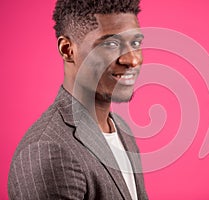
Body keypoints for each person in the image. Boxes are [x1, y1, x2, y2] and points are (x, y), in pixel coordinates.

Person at [8, 0, 148, 199]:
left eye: (135, 43)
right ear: (67, 50)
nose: (132, 59)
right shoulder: (47, 151)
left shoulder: (121, 129)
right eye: (110, 44)